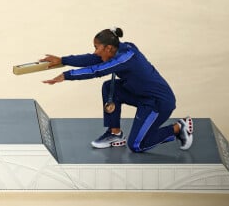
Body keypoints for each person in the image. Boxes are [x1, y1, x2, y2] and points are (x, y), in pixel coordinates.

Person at [40, 27, 194, 152]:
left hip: (158, 103)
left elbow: (96, 70)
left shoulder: (125, 57)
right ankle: (115, 134)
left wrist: (66, 76)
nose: (95, 51)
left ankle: (178, 128)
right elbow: (92, 59)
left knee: (137, 145)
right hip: (140, 95)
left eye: (96, 47)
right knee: (110, 88)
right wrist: (62, 60)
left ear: (108, 48)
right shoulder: (114, 51)